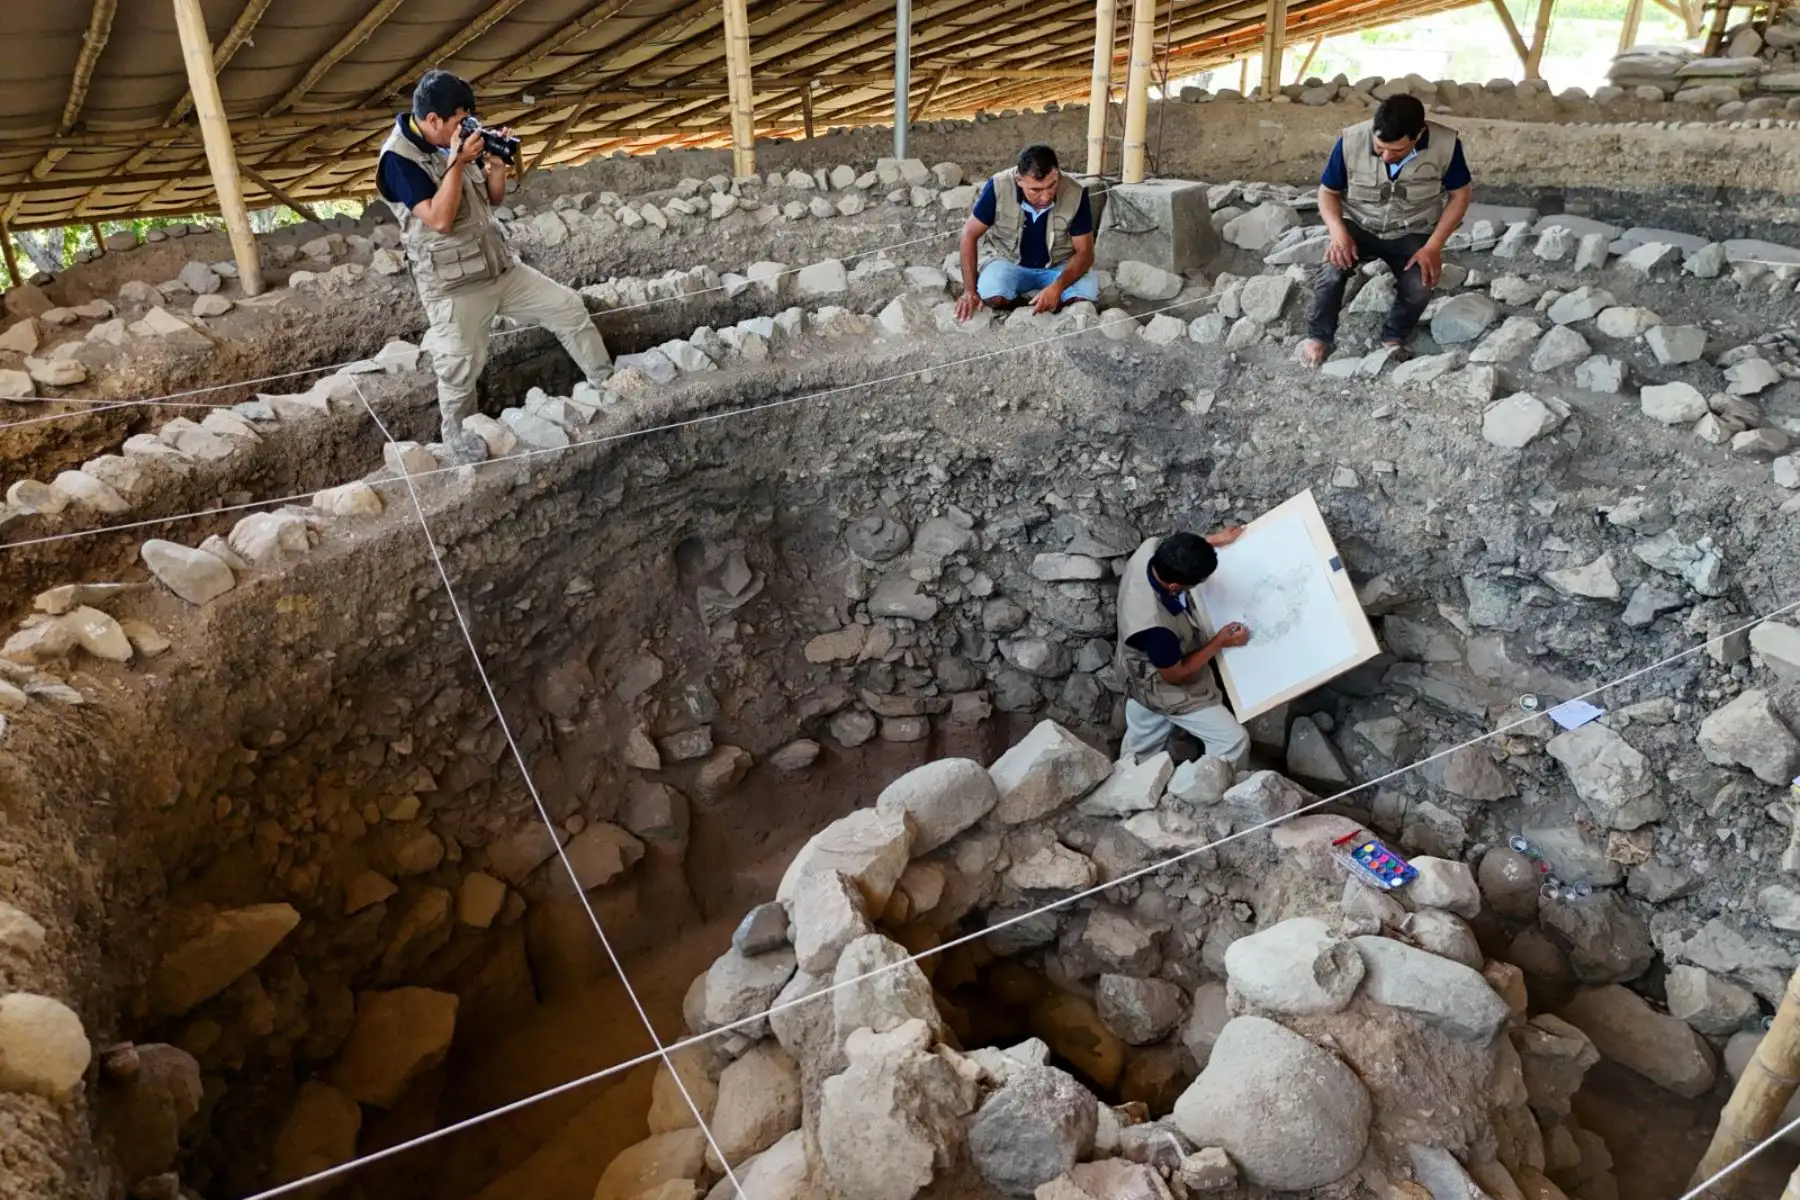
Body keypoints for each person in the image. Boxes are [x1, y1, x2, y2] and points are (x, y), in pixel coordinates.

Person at [375, 69, 612, 453]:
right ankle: (457, 443)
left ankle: (610, 385)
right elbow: (439, 218)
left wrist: (496, 168)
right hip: (455, 287)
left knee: (568, 308)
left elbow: (494, 200)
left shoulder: (453, 142)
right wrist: (456, 161)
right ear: (432, 119)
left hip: (500, 268)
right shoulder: (398, 160)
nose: (464, 128)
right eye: (457, 121)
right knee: (459, 368)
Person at [1298, 94, 1474, 368]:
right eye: (1380, 148)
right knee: (1331, 271)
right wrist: (1338, 232)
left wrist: (1434, 246)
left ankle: (1394, 336)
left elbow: (1460, 195)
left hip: (1412, 229)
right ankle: (1318, 337)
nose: (1387, 156)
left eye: (1398, 151)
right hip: (1360, 224)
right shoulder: (1351, 141)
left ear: (1419, 133)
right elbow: (1328, 191)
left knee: (1421, 283)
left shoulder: (1446, 145)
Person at [1113, 530, 1252, 767]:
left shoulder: (1150, 550)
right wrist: (1220, 642)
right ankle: (1207, 795)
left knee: (1142, 740)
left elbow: (1172, 547)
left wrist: (1206, 543)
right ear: (1174, 586)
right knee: (1233, 741)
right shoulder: (1157, 628)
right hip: (1162, 685)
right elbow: (1174, 675)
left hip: (1135, 669)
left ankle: (1126, 777)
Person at [954, 144, 1099, 321]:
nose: (1046, 197)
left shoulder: (1074, 192)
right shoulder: (999, 186)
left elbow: (1085, 252)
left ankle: (1045, 298)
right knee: (990, 294)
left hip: (1058, 266)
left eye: (1051, 185)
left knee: (1084, 297)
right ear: (1019, 180)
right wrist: (969, 291)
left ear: (1057, 174)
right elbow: (969, 234)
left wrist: (1057, 287)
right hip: (1008, 261)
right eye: (1036, 190)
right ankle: (1027, 303)